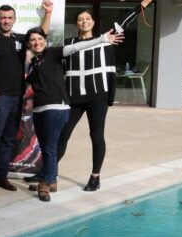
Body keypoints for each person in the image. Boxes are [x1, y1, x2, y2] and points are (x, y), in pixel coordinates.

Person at [50, 0, 154, 192]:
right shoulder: (69, 43)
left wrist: (146, 1)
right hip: (74, 97)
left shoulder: (106, 39)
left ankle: (95, 177)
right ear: (76, 23)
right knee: (62, 135)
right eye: (80, 19)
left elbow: (126, 19)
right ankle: (49, 172)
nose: (84, 21)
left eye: (87, 18)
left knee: (96, 136)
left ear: (93, 22)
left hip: (98, 97)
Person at [23, 26, 123, 201]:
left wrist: (102, 39)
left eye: (40, 39)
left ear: (45, 40)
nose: (37, 42)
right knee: (46, 147)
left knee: (50, 147)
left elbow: (76, 47)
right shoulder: (34, 63)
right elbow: (29, 82)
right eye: (33, 40)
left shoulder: (53, 53)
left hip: (56, 107)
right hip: (39, 109)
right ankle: (51, 179)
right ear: (28, 43)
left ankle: (45, 184)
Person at [0, 0, 52, 196]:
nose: (6, 21)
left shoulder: (20, 39)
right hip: (1, 98)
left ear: (14, 19)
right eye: (3, 18)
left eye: (10, 18)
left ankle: (1, 176)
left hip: (18, 97)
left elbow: (40, 36)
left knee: (9, 140)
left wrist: (48, 14)